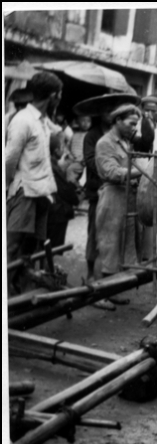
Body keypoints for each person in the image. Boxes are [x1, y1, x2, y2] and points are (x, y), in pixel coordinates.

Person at [5, 71, 63, 294]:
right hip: (24, 192)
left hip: (41, 193)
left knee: (29, 250)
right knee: (12, 247)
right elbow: (9, 159)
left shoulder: (42, 120)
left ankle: (18, 294)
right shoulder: (23, 120)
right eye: (60, 94)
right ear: (53, 96)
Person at [94, 104, 144, 294]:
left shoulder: (125, 142)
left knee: (124, 246)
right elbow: (111, 171)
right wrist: (140, 173)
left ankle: (112, 292)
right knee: (109, 245)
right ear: (117, 120)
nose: (134, 128)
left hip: (127, 196)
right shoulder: (105, 143)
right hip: (112, 197)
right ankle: (98, 295)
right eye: (131, 123)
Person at [47, 132, 79, 248]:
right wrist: (76, 198)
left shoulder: (52, 165)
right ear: (56, 151)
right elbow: (64, 190)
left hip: (55, 211)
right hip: (57, 213)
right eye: (62, 147)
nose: (64, 150)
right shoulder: (52, 167)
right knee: (53, 247)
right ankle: (49, 266)